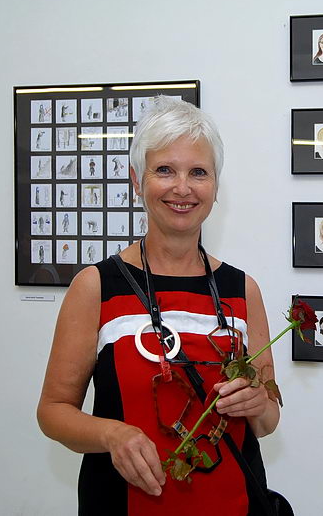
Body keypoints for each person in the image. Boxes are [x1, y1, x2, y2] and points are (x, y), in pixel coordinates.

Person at [37, 97, 281, 515]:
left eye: (198, 172)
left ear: (215, 187)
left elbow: (267, 420)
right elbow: (53, 411)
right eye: (164, 170)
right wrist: (112, 435)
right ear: (137, 180)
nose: (182, 188)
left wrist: (259, 403)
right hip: (122, 504)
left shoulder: (243, 290)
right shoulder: (97, 286)